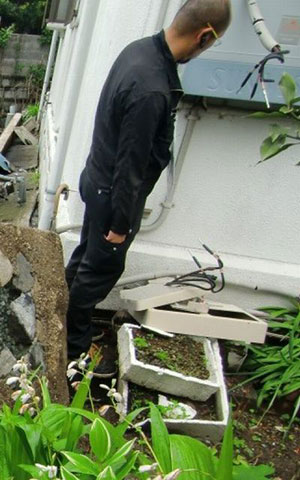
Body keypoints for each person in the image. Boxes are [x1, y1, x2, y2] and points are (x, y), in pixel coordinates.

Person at [65, 0, 232, 376]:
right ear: (204, 36)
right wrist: (122, 224)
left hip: (97, 180)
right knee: (96, 274)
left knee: (84, 262)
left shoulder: (138, 51)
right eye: (210, 44)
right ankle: (71, 357)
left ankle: (56, 324)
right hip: (114, 194)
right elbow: (132, 165)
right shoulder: (152, 89)